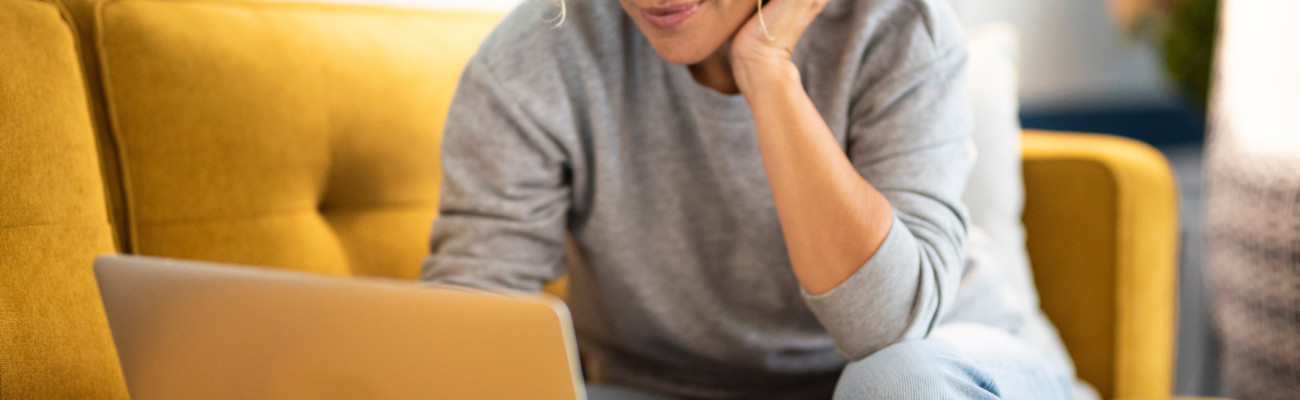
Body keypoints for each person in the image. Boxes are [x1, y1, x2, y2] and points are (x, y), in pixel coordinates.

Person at [423, 0, 1078, 398]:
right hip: (668, 391)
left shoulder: (898, 27)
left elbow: (887, 329)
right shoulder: (532, 56)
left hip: (944, 369)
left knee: (898, 386)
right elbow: (472, 326)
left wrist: (767, 69)